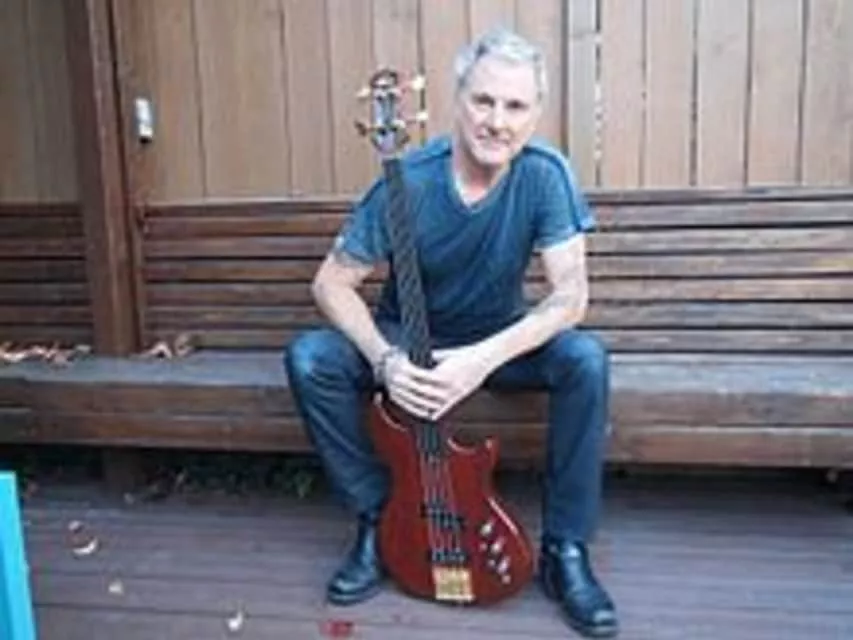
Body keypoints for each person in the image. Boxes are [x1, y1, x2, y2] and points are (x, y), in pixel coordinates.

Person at [284, 27, 618, 639]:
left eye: (515, 106)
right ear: (457, 100)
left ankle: (565, 549)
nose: (497, 121)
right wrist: (385, 360)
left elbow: (571, 297)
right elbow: (331, 283)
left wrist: (479, 361)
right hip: (406, 341)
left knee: (585, 360)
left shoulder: (545, 175)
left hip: (496, 342)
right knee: (310, 359)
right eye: (483, 100)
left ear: (536, 114)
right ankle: (378, 519)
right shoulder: (408, 179)